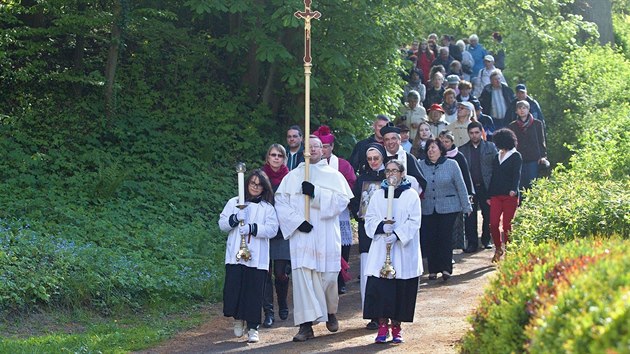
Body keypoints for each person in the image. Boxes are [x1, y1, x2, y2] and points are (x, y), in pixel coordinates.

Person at [275, 136, 354, 342]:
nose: (313, 150)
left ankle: (330, 311)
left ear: (323, 150)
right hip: (303, 236)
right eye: (308, 147)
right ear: (303, 151)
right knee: (303, 281)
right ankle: (305, 326)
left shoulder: (333, 175)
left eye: (317, 147)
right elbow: (281, 202)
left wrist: (316, 193)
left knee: (328, 277)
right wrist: (297, 222)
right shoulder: (292, 177)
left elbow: (341, 202)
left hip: (326, 234)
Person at [363, 159, 422, 344]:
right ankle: (382, 326)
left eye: (394, 171)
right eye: (387, 171)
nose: (390, 175)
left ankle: (396, 327)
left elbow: (414, 221)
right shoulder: (378, 194)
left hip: (403, 250)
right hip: (382, 249)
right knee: (381, 289)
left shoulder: (411, 195)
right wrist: (381, 227)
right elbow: (369, 217)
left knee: (400, 290)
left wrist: (397, 234)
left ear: (402, 173)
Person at [219, 169, 279, 343]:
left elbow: (273, 229)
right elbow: (222, 224)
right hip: (235, 255)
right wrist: (235, 218)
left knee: (253, 292)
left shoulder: (267, 208)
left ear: (264, 188)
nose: (255, 187)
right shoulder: (234, 202)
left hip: (257, 256)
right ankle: (238, 319)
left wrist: (253, 228)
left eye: (259, 185)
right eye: (252, 183)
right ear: (247, 184)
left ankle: (253, 327)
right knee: (235, 288)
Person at [419, 139, 472, 281]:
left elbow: (461, 185)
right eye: (429, 148)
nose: (431, 151)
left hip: (449, 207)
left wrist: (466, 206)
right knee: (431, 238)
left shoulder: (452, 164)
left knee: (445, 237)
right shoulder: (420, 165)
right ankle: (433, 270)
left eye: (433, 148)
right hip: (428, 207)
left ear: (440, 150)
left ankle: (446, 268)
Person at [313, 125, 357, 295]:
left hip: (339, 210)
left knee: (341, 246)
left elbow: (351, 183)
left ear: (331, 147)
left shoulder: (343, 165)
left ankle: (341, 278)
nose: (323, 150)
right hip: (319, 211)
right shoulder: (310, 166)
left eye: (326, 146)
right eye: (320, 146)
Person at [348, 143, 387, 331]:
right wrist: (358, 212)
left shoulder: (390, 177)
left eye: (376, 158)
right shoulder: (361, 179)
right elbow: (354, 202)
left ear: (382, 158)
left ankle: (386, 312)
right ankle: (371, 314)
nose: (372, 162)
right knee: (367, 273)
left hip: (386, 231)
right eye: (369, 159)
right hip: (366, 232)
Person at [261, 144, 291, 328]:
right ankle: (268, 312)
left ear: (284, 158)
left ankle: (283, 302)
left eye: (280, 155)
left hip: (282, 229)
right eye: (273, 155)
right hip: (264, 228)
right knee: (265, 273)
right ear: (267, 157)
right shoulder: (260, 177)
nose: (276, 158)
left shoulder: (290, 177)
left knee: (281, 273)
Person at [459, 122, 498, 251]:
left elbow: (496, 167)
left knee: (488, 215)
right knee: (470, 217)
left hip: (486, 186)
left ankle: (486, 239)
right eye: (471, 133)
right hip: (470, 188)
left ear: (481, 132)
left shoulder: (490, 147)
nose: (474, 135)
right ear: (468, 134)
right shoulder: (462, 149)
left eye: (477, 132)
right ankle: (472, 243)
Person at [486, 129, 522, 262]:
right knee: (493, 224)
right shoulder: (497, 156)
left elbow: (516, 175)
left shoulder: (516, 156)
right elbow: (493, 176)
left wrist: (514, 189)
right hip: (495, 194)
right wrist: (489, 195)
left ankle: (509, 249)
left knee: (507, 225)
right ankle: (498, 247)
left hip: (509, 196)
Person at [438, 130, 474, 252]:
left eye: (446, 141)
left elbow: (466, 176)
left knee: (459, 222)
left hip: (457, 194)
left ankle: (460, 245)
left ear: (452, 142)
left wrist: (469, 193)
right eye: (442, 142)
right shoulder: (437, 156)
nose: (444, 144)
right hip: (441, 195)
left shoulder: (459, 156)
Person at [507, 100, 548, 191]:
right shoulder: (512, 126)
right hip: (518, 158)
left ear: (528, 109)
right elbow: (510, 144)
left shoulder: (537, 124)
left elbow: (541, 140)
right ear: (516, 111)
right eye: (519, 108)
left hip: (533, 158)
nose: (522, 110)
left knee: (532, 183)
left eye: (524, 108)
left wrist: (543, 156)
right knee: (520, 185)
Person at [380, 124, 428, 193]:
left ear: (399, 140)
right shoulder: (380, 158)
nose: (390, 142)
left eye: (393, 138)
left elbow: (420, 182)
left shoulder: (409, 158)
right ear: (384, 143)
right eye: (387, 139)